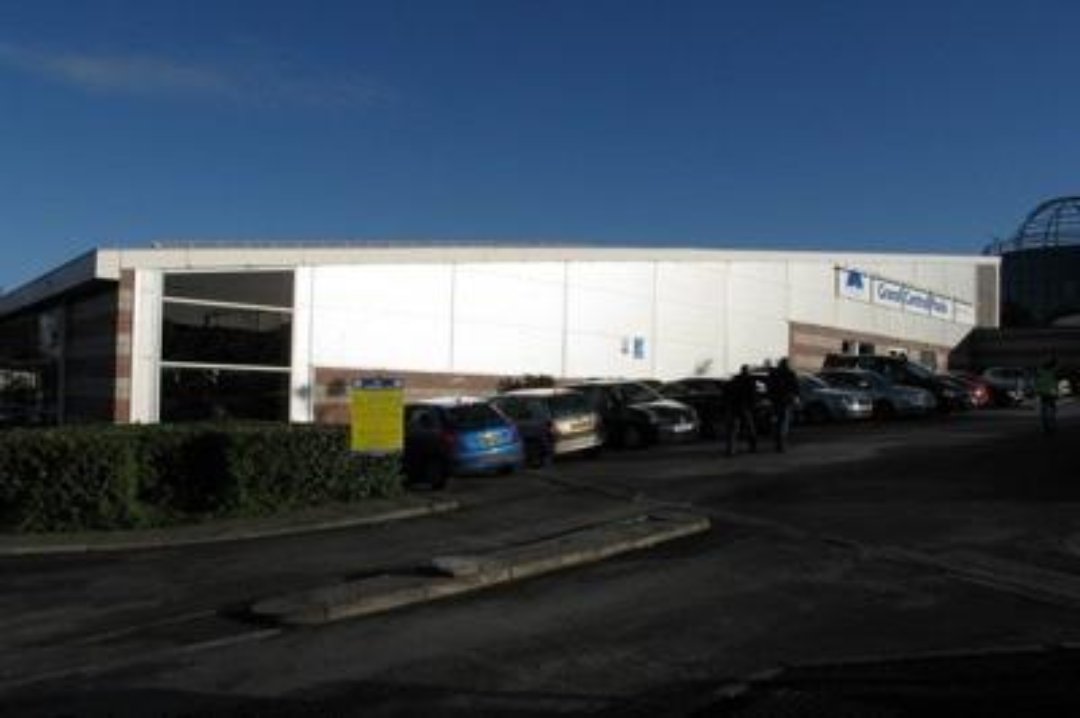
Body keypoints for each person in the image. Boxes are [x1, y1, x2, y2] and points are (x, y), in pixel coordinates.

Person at [767, 358, 800, 452]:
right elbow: (795, 388)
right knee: (783, 423)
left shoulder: (774, 374)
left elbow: (769, 387)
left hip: (775, 402)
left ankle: (777, 443)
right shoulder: (790, 374)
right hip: (785, 402)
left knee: (776, 422)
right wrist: (795, 398)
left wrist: (770, 398)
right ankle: (781, 445)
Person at [725, 365, 758, 456]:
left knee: (733, 430)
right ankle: (752, 447)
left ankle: (731, 450)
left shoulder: (734, 381)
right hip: (745, 407)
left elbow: (727, 393)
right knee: (750, 428)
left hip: (734, 407)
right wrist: (753, 406)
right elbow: (753, 395)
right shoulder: (750, 381)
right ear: (747, 371)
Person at [1034, 358, 1059, 436]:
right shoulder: (1052, 372)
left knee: (1044, 411)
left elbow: (1037, 383)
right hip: (1051, 393)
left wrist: (1037, 391)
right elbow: (1054, 383)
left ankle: (1044, 428)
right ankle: (1052, 426)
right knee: (1052, 411)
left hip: (1043, 393)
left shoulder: (1040, 372)